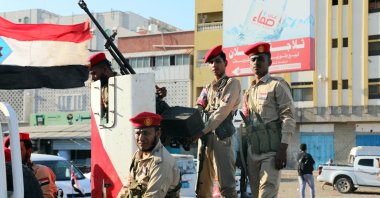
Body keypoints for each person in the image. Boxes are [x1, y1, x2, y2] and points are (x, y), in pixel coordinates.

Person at [241, 42, 296, 198]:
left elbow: (289, 117)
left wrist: (282, 149)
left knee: (267, 193)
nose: (256, 63)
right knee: (257, 194)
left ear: (269, 62)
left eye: (260, 59)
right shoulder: (249, 91)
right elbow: (247, 123)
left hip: (272, 151)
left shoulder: (277, 85)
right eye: (253, 60)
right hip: (253, 151)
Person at [193, 45, 241, 198]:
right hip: (205, 138)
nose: (214, 65)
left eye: (218, 61)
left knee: (226, 186)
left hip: (222, 138)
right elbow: (198, 107)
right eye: (211, 62)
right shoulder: (208, 88)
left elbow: (222, 111)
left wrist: (201, 130)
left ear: (225, 63)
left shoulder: (232, 84)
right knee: (202, 186)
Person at [118, 112, 181, 197]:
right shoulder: (138, 155)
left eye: (146, 133)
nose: (141, 138)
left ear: (158, 134)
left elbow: (153, 196)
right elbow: (128, 187)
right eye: (138, 133)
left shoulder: (161, 162)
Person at [4, 132, 58, 198]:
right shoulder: (5, 173)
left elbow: (47, 196)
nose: (13, 154)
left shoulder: (40, 171)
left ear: (29, 151)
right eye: (10, 151)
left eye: (17, 150)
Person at [88, 52, 118, 119]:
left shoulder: (123, 83)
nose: (92, 78)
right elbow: (100, 114)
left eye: (94, 73)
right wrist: (95, 93)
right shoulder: (103, 88)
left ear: (105, 69)